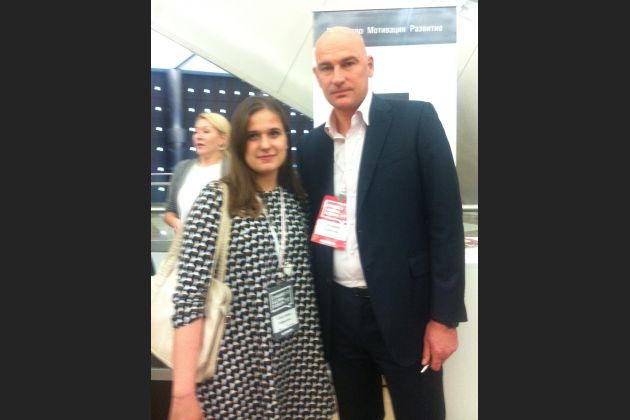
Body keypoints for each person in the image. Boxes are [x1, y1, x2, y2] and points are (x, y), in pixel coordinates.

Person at [296, 26, 467, 420]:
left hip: (408, 312)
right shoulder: (312, 146)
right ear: (317, 75)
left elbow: (445, 222)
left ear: (369, 66)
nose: (338, 76)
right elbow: (317, 223)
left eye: (348, 63)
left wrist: (444, 318)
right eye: (327, 67)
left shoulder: (415, 120)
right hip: (340, 316)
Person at [168, 96, 336, 420]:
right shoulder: (215, 201)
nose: (265, 144)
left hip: (297, 363)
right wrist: (183, 393)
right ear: (238, 143)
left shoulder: (297, 201)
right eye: (253, 136)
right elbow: (189, 299)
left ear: (286, 138)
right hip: (236, 370)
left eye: (274, 133)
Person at [164, 112, 231, 234]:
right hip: (186, 243)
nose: (198, 136)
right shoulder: (182, 168)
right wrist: (176, 222)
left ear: (223, 139)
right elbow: (170, 211)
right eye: (196, 131)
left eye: (206, 131)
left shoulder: (233, 170)